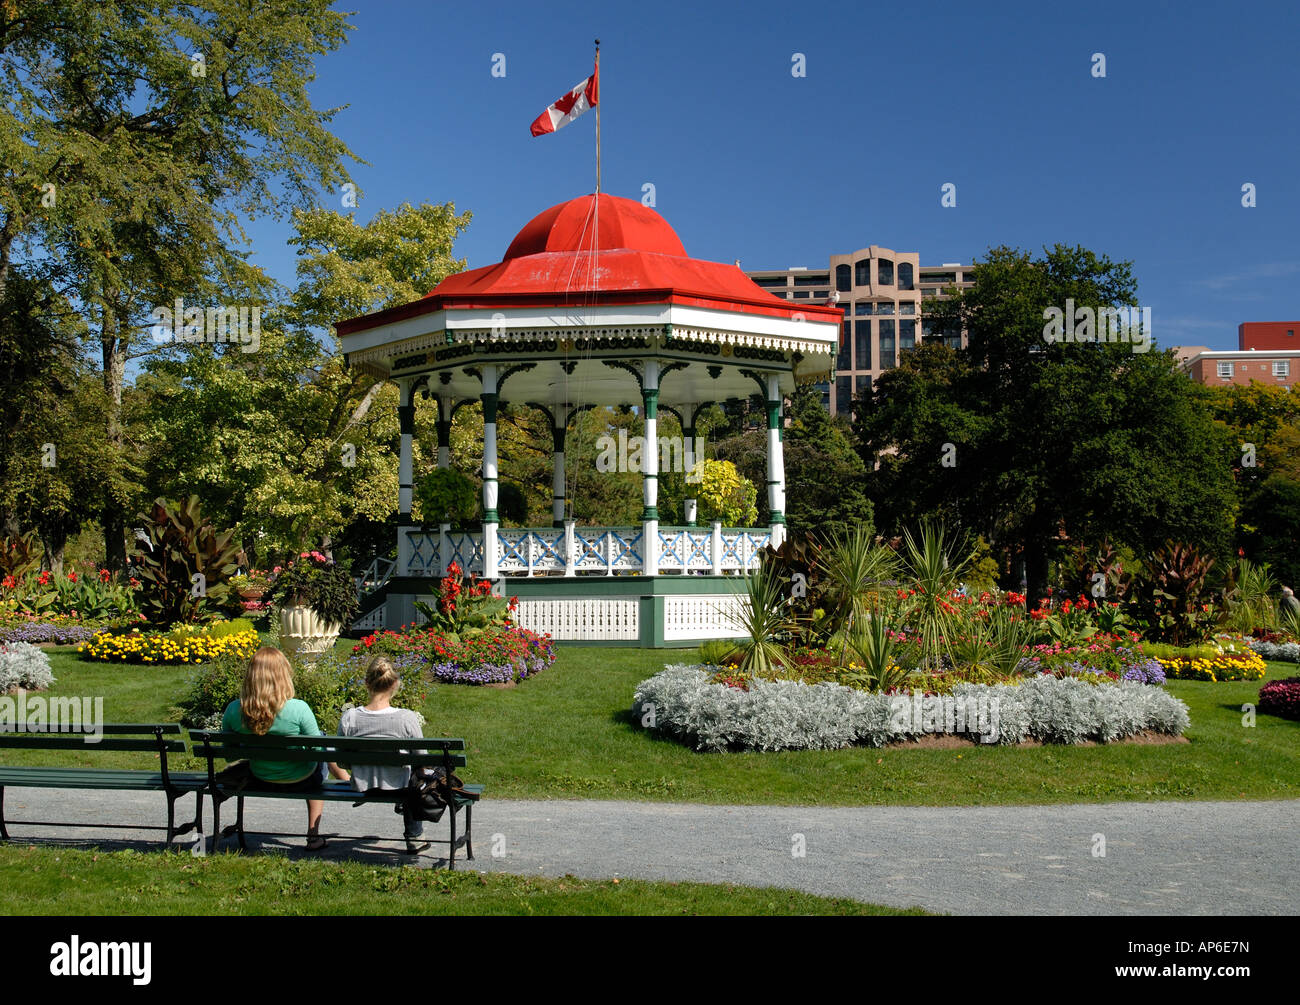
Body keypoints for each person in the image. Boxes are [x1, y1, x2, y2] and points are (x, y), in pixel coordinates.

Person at [221, 646, 348, 851]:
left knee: (318, 743)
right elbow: (318, 752)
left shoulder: (234, 709)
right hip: (302, 780)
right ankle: (313, 835)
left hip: (260, 778)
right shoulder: (298, 708)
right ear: (283, 675)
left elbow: (228, 754)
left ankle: (346, 779)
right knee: (320, 742)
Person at [339, 656, 430, 855]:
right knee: (417, 775)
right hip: (399, 786)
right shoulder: (406, 718)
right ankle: (415, 836)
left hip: (362, 784)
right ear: (395, 684)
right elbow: (422, 758)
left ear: (366, 683)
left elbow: (342, 761)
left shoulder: (350, 717)